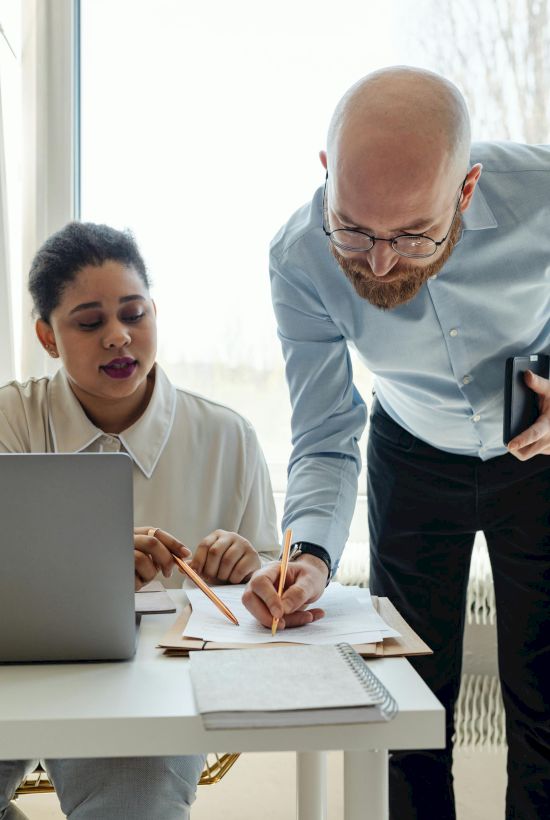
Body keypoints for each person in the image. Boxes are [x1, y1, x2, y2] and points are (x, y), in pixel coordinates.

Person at [243, 66, 550, 819]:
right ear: (326, 174)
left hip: (539, 454)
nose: (379, 264)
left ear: (467, 190)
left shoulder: (543, 195)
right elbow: (324, 428)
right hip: (410, 457)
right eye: (354, 228)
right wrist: (309, 556)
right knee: (409, 707)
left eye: (413, 234)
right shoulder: (298, 257)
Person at [0, 221, 279, 820]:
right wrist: (84, 571)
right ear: (48, 337)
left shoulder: (226, 436)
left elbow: (276, 586)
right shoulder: (10, 421)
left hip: (155, 699)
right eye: (90, 322)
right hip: (11, 677)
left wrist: (250, 570)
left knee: (135, 808)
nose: (118, 338)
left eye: (134, 314)